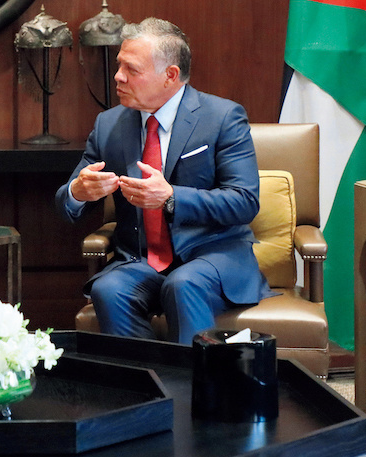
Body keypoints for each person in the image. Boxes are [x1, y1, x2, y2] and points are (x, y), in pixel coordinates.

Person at [55, 17, 272, 344]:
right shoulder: (109, 125)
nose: (118, 76)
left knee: (183, 284)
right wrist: (78, 191)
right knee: (109, 288)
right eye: (119, 65)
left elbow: (244, 201)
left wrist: (171, 198)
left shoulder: (222, 118)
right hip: (141, 261)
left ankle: (195, 377)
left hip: (211, 257)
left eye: (131, 69)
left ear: (170, 75)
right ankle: (143, 375)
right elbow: (66, 203)